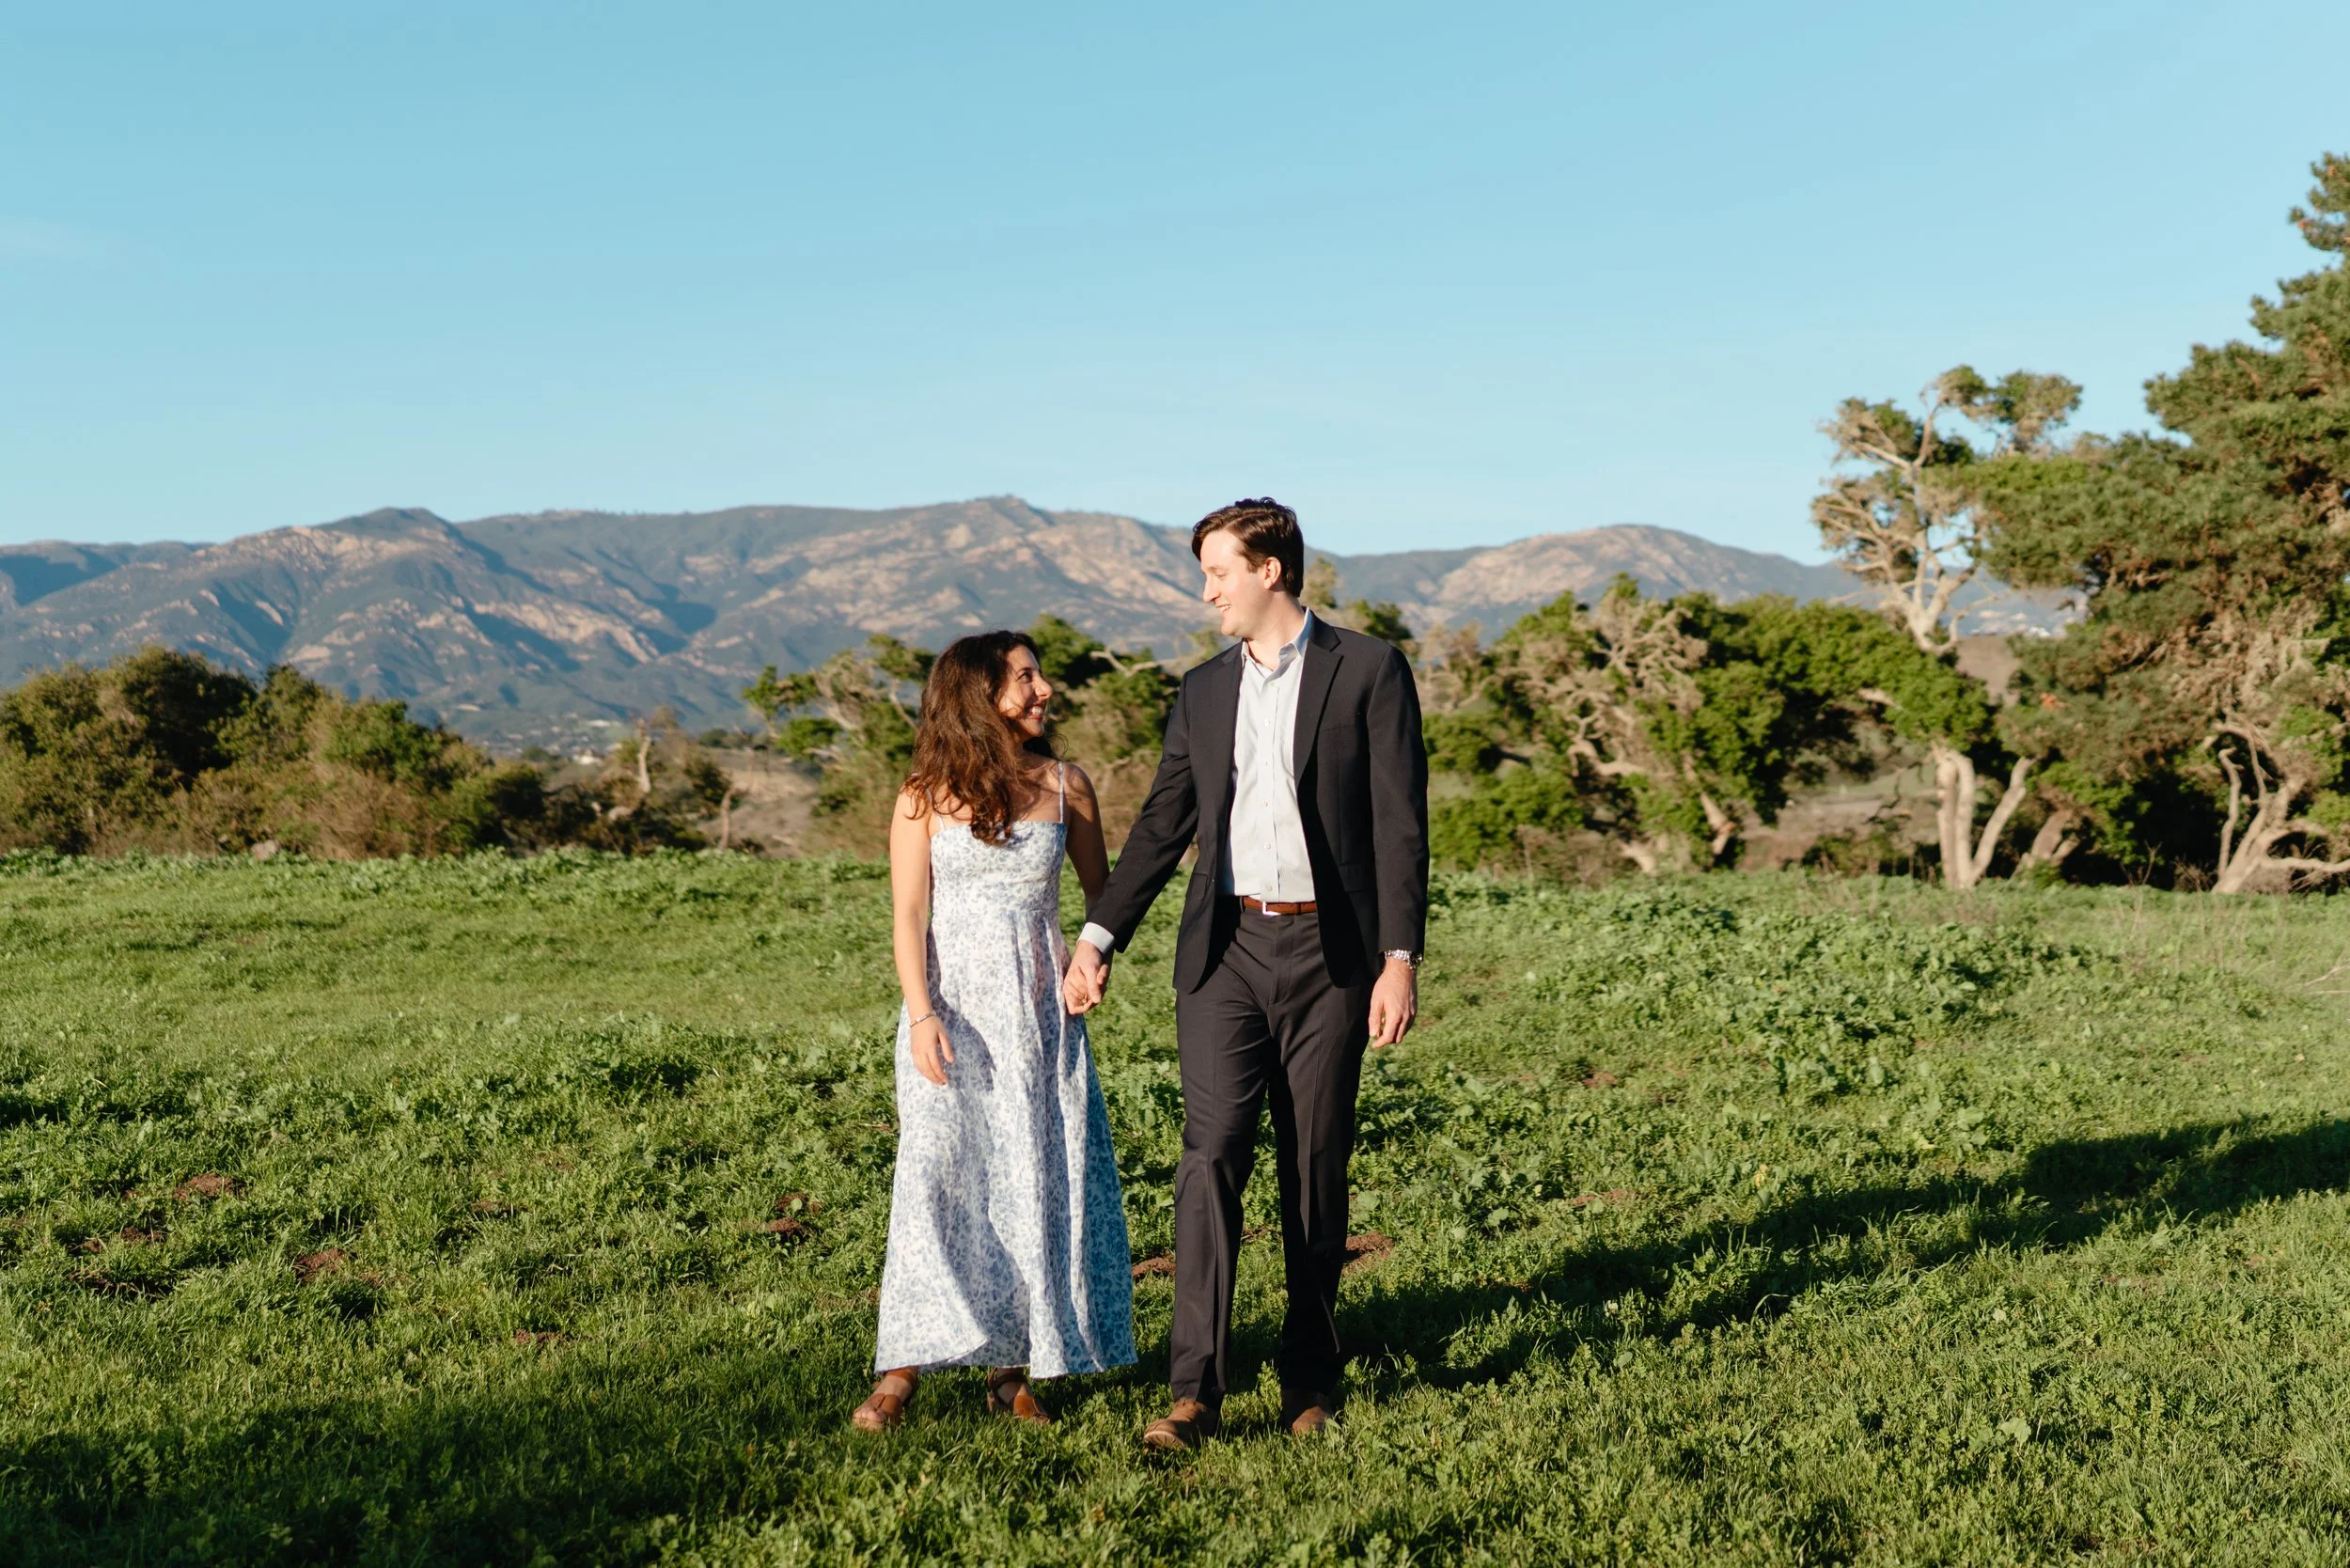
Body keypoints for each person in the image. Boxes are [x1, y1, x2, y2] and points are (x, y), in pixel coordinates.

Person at [1063, 497, 1429, 1450]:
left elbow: (1400, 826)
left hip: (1332, 957)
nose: (1207, 592)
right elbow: (1162, 823)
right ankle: (1195, 1391)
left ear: (1270, 571)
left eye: (1218, 572)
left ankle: (1309, 1379)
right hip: (1223, 951)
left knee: (1314, 1168)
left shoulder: (1370, 670)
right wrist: (1098, 937)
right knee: (1209, 1156)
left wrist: (1399, 960)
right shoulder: (1202, 690)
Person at [854, 630, 1136, 1432]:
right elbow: (908, 915)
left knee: (1028, 1174)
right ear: (979, 695)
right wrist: (921, 1014)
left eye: (1039, 676)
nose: (1044, 690)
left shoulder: (1067, 785)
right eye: (1025, 678)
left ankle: (1010, 1369)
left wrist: (1093, 960)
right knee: (936, 1177)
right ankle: (902, 1367)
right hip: (951, 1013)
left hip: (1039, 1014)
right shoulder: (922, 794)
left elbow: (1105, 900)